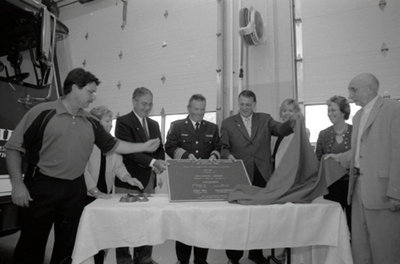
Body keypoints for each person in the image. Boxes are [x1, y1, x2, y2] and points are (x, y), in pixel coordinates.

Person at [5, 68, 160, 264]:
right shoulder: (42, 112)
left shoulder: (90, 121)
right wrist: (17, 184)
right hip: (42, 186)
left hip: (74, 190)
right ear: (74, 88)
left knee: (68, 247)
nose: (94, 97)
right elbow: (13, 148)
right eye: (90, 91)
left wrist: (143, 146)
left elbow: (114, 145)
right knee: (31, 246)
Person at [326, 73, 400, 264]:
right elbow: (357, 152)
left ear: (370, 88)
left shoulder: (394, 109)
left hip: (383, 193)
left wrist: (396, 192)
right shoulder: (358, 116)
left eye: (354, 89)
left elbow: (398, 153)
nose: (350, 95)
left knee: (385, 249)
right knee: (361, 247)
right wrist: (338, 157)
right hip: (358, 190)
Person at [220, 90, 294, 264]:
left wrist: (293, 123)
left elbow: (280, 129)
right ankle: (234, 257)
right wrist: (227, 155)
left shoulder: (265, 119)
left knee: (259, 217)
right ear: (238, 103)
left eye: (248, 104)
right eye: (242, 104)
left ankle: (256, 253)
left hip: (262, 173)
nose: (245, 108)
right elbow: (224, 146)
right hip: (239, 174)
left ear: (255, 104)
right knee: (236, 218)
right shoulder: (228, 123)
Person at [84, 105, 144, 264]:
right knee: (88, 238)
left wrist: (127, 177)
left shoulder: (113, 143)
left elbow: (118, 166)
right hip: (87, 195)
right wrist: (94, 191)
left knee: (103, 237)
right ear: (96, 123)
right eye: (107, 121)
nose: (111, 124)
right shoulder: (85, 141)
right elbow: (82, 170)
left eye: (112, 121)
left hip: (105, 195)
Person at [165, 94, 221, 264]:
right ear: (188, 108)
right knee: (184, 224)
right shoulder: (177, 126)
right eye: (196, 109)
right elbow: (169, 146)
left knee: (203, 223)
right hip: (184, 182)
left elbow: (218, 146)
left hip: (205, 181)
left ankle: (200, 260)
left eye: (203, 109)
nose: (199, 113)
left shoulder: (212, 127)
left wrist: (214, 155)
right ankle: (182, 260)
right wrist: (186, 155)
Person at [115, 87, 167, 264]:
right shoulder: (123, 122)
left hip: (149, 181)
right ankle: (123, 259)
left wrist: (159, 167)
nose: (147, 107)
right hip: (128, 180)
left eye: (150, 104)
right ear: (134, 101)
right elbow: (129, 151)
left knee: (147, 221)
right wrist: (153, 163)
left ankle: (144, 258)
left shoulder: (153, 124)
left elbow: (160, 148)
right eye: (144, 103)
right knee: (125, 223)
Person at [315, 96, 352, 229]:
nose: (330, 113)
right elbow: (317, 160)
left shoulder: (355, 132)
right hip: (331, 186)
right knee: (332, 225)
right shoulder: (323, 134)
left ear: (343, 112)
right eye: (328, 110)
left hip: (352, 185)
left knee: (352, 224)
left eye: (333, 110)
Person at [272, 99, 307, 170]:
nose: (287, 113)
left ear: (297, 113)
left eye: (290, 111)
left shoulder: (300, 132)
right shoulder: (279, 133)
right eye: (284, 111)